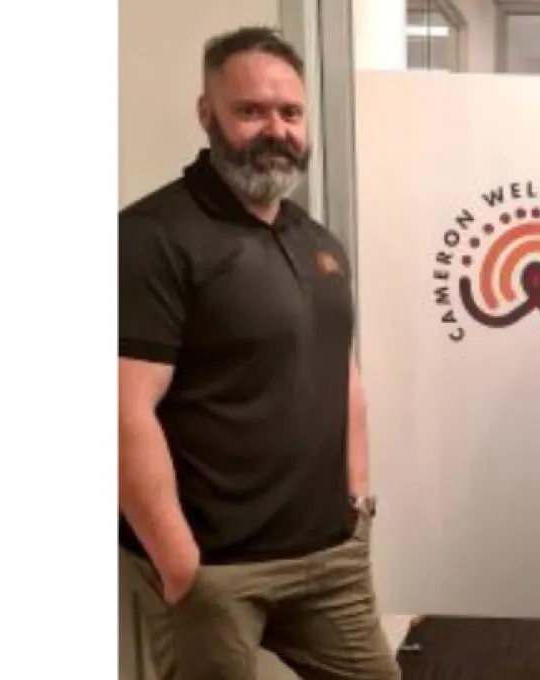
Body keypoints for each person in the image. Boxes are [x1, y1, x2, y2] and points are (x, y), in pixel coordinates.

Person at [118, 26, 400, 680]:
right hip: (216, 568)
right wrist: (179, 561)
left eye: (290, 112)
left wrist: (358, 503)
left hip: (330, 556)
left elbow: (344, 378)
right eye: (251, 111)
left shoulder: (319, 241)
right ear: (207, 115)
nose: (275, 129)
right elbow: (123, 411)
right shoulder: (151, 237)